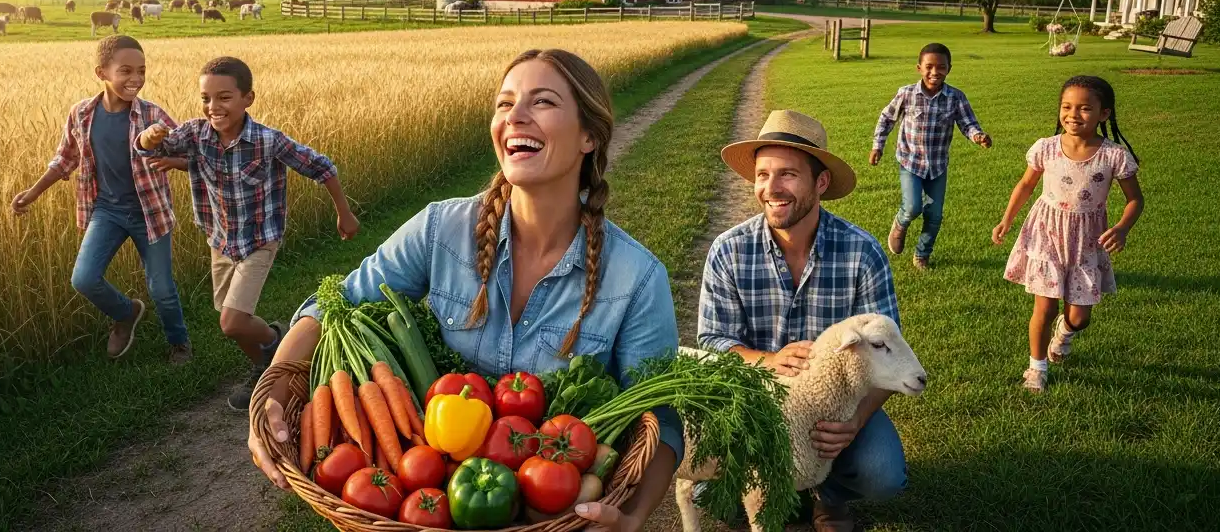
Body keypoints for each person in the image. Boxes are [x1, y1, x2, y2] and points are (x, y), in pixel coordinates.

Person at [249, 49, 685, 531]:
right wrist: (274, 390)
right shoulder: (440, 230)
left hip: (551, 510)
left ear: (589, 136)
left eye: (542, 102)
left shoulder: (636, 278)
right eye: (505, 104)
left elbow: (659, 418)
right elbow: (334, 305)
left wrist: (633, 518)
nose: (515, 117)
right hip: (432, 498)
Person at [699, 109, 903, 532]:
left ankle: (829, 497)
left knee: (881, 474)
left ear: (821, 183)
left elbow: (888, 355)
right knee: (706, 492)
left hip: (834, 406)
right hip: (758, 404)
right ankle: (775, 485)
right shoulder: (728, 250)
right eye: (762, 175)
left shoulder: (862, 253)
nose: (771, 189)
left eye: (788, 175)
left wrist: (854, 422)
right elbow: (713, 340)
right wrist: (768, 360)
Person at [135, 56, 359, 411]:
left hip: (259, 240)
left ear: (247, 98)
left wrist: (344, 213)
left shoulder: (268, 141)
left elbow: (322, 167)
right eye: (206, 98)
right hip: (220, 240)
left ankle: (274, 346)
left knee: (231, 321)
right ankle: (267, 359)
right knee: (232, 320)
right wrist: (148, 139)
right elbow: (157, 148)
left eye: (224, 97)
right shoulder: (195, 134)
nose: (213, 106)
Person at [12, 35, 192, 364]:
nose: (136, 78)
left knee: (162, 288)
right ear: (101, 73)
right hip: (107, 211)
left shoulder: (152, 114)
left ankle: (179, 343)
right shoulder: (82, 113)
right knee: (84, 279)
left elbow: (190, 152)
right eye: (126, 71)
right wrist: (33, 191)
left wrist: (172, 159)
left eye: (142, 70)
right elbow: (65, 159)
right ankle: (126, 313)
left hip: (150, 213)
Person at [993, 75, 1143, 394]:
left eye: (1084, 108)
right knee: (1044, 308)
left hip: (1087, 241)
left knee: (1081, 317)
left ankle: (1065, 332)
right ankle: (1036, 368)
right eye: (1066, 106)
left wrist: (1122, 227)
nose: (1073, 114)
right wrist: (1007, 219)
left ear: (1104, 114)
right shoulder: (1046, 148)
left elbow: (1135, 199)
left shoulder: (1114, 156)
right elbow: (1026, 184)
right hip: (1046, 234)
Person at [869, 42, 992, 269]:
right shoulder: (907, 94)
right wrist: (878, 146)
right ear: (919, 68)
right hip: (910, 161)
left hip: (937, 165)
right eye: (929, 67)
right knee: (913, 206)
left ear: (949, 69)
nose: (935, 72)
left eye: (941, 67)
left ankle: (922, 254)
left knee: (934, 215)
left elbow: (968, 123)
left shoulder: (956, 97)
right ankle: (901, 223)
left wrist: (978, 136)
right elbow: (886, 118)